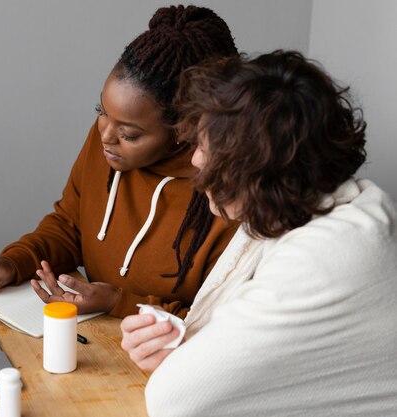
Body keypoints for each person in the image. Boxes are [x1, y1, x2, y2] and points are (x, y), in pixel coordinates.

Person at [120, 50, 397, 416]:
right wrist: (180, 350)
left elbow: (173, 401)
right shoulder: (346, 208)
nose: (196, 160)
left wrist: (180, 362)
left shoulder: (323, 259)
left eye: (206, 147)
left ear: (255, 170)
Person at [0, 5, 239, 318]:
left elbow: (219, 328)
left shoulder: (228, 195)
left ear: (184, 128)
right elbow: (69, 226)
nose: (106, 135)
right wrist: (14, 263)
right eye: (101, 111)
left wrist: (119, 302)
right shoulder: (108, 144)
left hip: (162, 356)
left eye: (129, 134)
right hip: (93, 338)